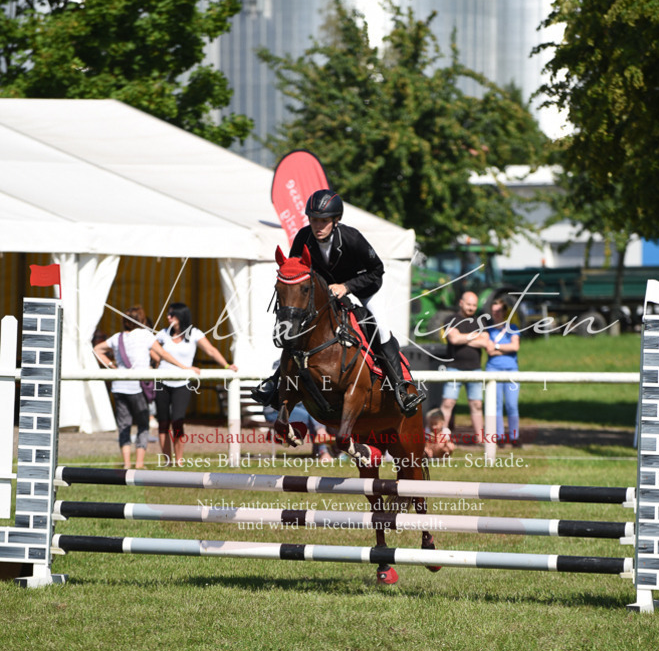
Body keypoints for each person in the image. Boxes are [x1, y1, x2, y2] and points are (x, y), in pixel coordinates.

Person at [251, 189, 425, 416]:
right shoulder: (303, 238)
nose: (318, 226)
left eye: (324, 221)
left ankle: (401, 387)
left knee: (380, 329)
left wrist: (347, 287)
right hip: (326, 293)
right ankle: (276, 385)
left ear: (336, 220)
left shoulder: (352, 238)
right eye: (314, 220)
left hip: (362, 288)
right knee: (296, 330)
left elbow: (377, 271)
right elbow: (297, 268)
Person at [93, 305, 199, 469]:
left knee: (124, 425)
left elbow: (97, 349)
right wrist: (184, 367)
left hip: (119, 385)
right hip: (138, 387)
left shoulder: (117, 337)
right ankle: (139, 463)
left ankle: (127, 463)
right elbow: (163, 355)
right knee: (143, 424)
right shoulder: (145, 335)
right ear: (142, 320)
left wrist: (111, 367)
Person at [153, 302, 237, 467]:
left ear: (181, 316)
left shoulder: (194, 333)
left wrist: (227, 365)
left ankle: (179, 460)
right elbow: (151, 349)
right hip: (162, 381)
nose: (168, 317)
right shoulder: (163, 334)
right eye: (168, 314)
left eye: (172, 314)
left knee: (178, 420)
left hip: (183, 383)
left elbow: (211, 350)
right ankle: (167, 461)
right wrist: (158, 361)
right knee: (163, 422)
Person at [440, 290, 490, 444]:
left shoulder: (480, 322)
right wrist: (475, 336)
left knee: (476, 404)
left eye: (474, 305)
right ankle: (441, 436)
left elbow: (486, 342)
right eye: (469, 304)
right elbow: (453, 339)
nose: (471, 308)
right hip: (454, 367)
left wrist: (463, 337)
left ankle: (480, 438)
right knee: (448, 402)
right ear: (461, 303)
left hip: (475, 368)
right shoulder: (451, 319)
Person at [485, 297, 522, 447]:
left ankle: (514, 436)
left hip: (511, 370)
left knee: (512, 404)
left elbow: (515, 347)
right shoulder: (488, 330)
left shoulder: (513, 328)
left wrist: (497, 347)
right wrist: (502, 348)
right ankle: (499, 436)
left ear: (504, 312)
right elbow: (489, 350)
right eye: (494, 311)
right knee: (496, 404)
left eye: (499, 311)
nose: (496, 314)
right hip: (493, 369)